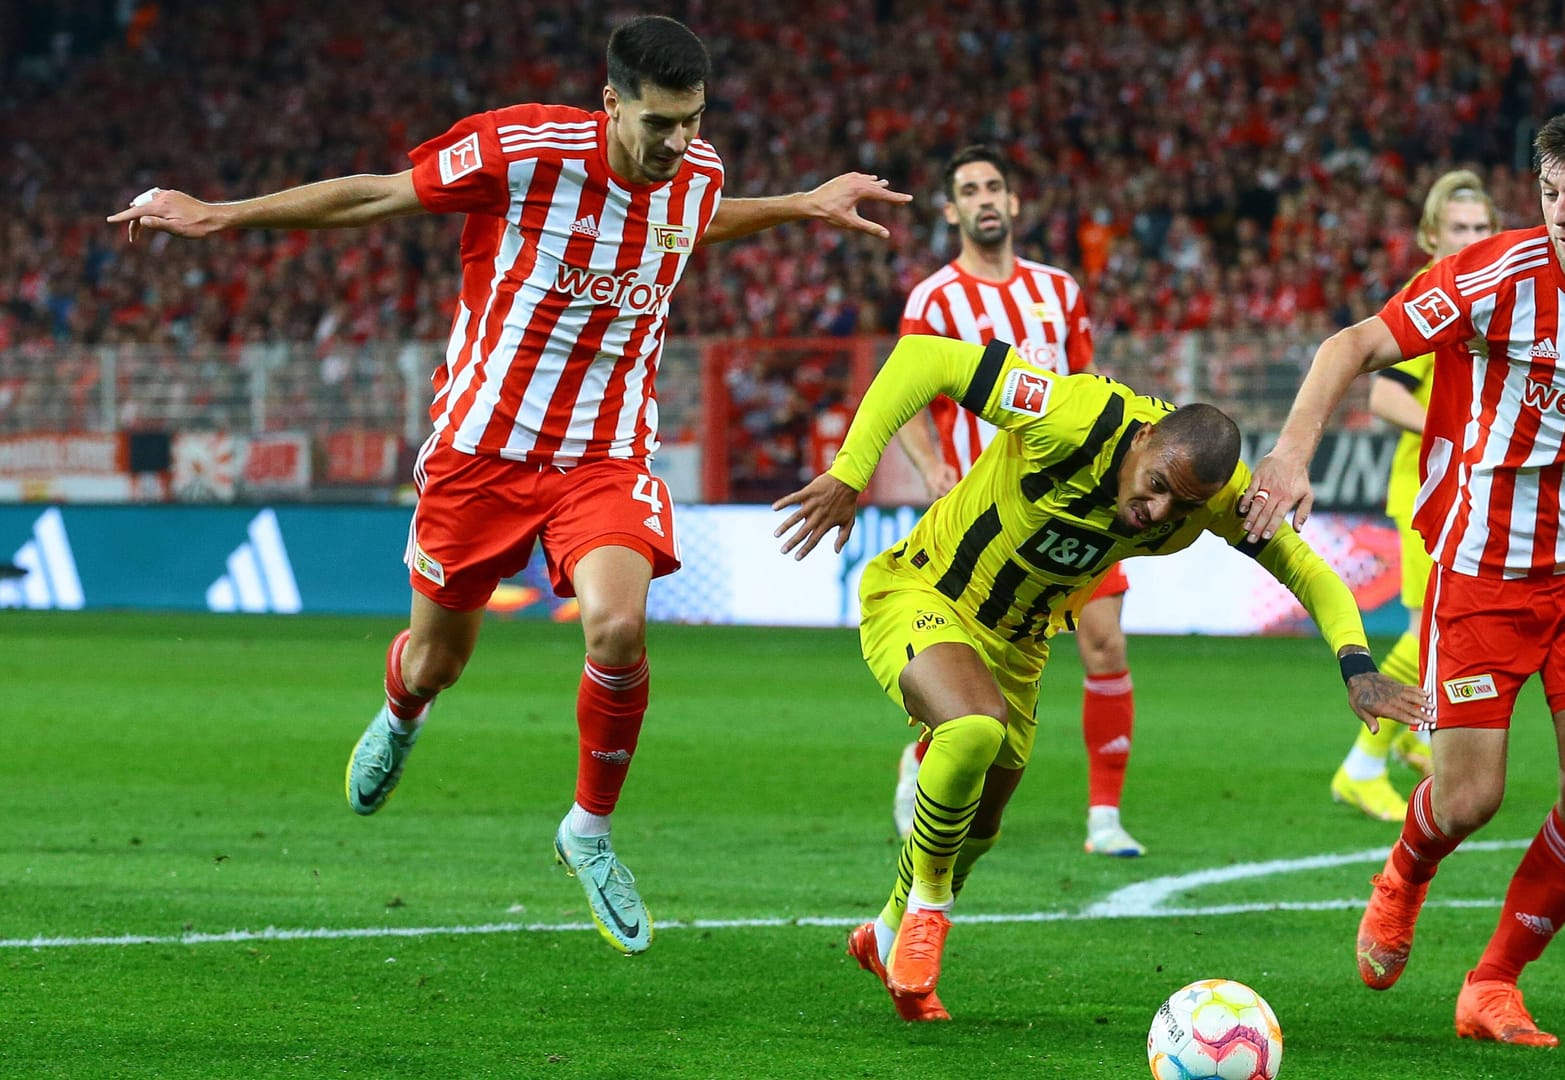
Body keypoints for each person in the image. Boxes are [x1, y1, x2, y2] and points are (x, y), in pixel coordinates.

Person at [108, 14, 909, 957]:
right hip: (480, 452)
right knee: (436, 660)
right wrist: (223, 214)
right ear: (610, 104)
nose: (678, 142)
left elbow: (696, 220)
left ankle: (589, 830)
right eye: (658, 123)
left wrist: (803, 204)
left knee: (618, 624)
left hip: (603, 454)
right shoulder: (522, 150)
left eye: (692, 120)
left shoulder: (696, 174)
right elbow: (377, 197)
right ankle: (405, 708)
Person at [1240, 106, 1565, 1047]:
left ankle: (1493, 982)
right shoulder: (1496, 275)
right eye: (1548, 193)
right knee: (1468, 800)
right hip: (1484, 569)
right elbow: (1351, 348)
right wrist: (1289, 454)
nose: (1561, 212)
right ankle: (1405, 870)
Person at [773, 334, 1428, 1022]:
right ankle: (929, 912)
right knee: (970, 728)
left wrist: (1356, 666)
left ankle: (884, 932)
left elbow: (1306, 568)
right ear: (1144, 439)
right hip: (925, 592)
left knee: (983, 824)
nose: (1159, 513)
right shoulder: (1072, 416)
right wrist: (851, 473)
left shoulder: (1210, 495)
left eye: (1181, 507)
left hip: (1020, 647)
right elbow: (923, 358)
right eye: (1156, 488)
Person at [891, 144, 1146, 858]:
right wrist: (934, 465)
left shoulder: (1060, 292)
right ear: (951, 211)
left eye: (995, 187)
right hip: (981, 525)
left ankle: (1104, 817)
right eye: (969, 189)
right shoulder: (934, 299)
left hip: (1076, 509)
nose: (985, 199)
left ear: (1015, 202)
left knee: (1105, 643)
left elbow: (1092, 385)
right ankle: (922, 762)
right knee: (973, 677)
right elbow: (908, 393)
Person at [1329, 169, 1497, 822]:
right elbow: (1384, 392)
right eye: (1459, 229)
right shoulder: (1430, 293)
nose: (1473, 239)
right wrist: (1455, 429)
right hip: (1427, 490)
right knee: (1430, 629)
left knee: (1448, 632)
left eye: (1483, 227)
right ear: (1432, 236)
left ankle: (1413, 741)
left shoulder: (1495, 292)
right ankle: (1362, 765)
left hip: (1474, 491)